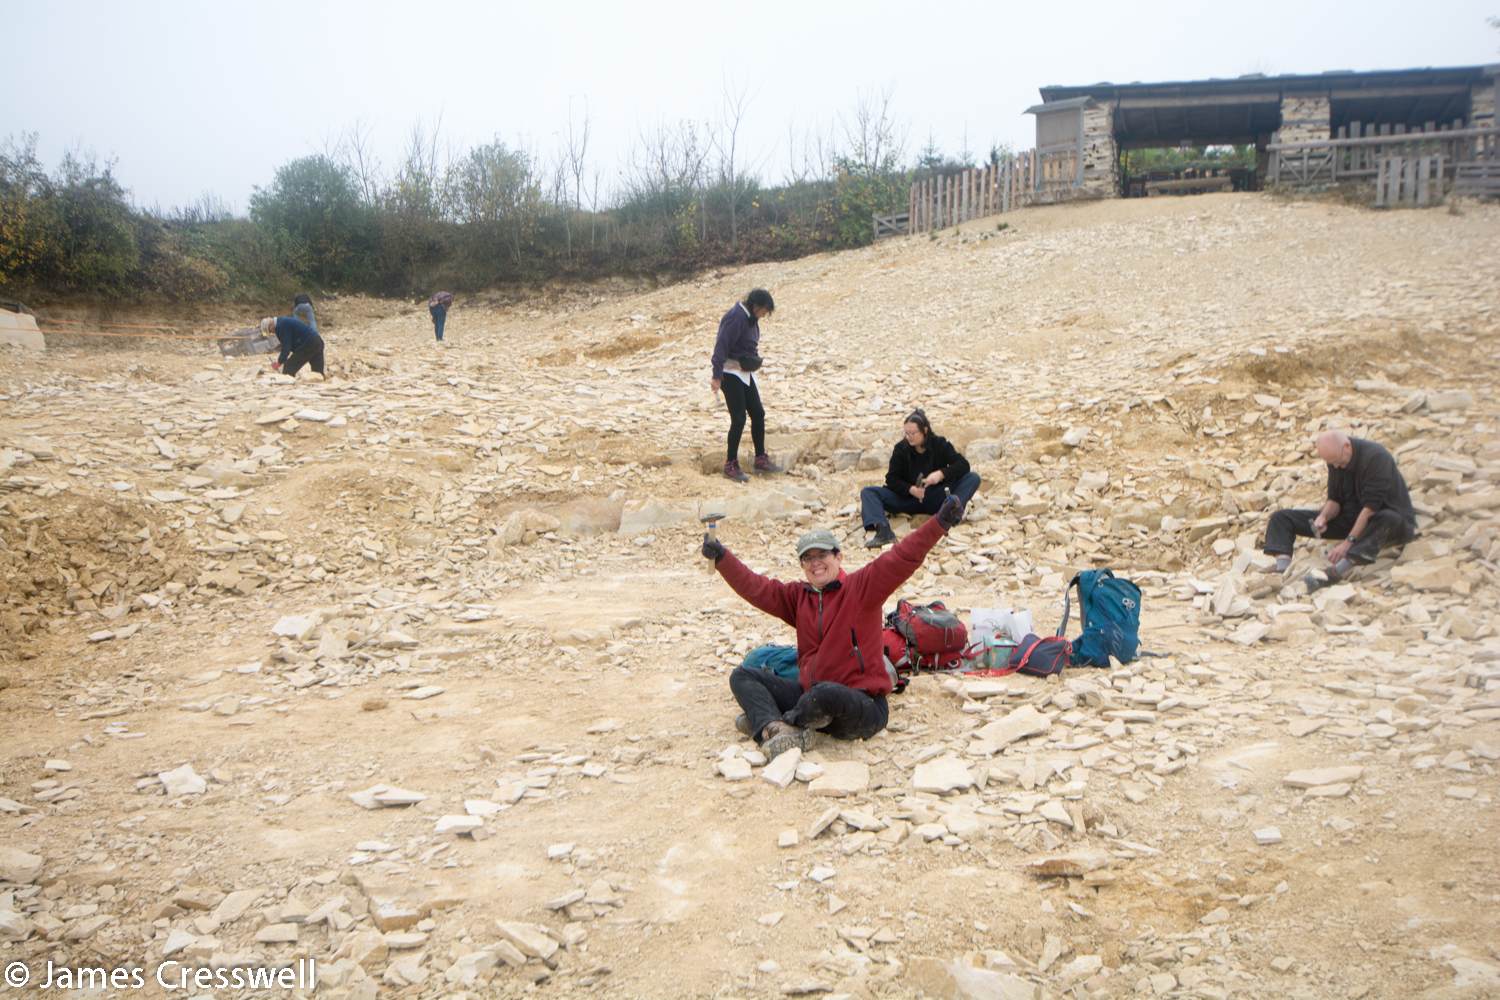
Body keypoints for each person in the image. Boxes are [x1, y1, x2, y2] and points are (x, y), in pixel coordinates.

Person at [703, 495, 966, 759]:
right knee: (742, 676)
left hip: (862, 705)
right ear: (802, 565)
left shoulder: (861, 589)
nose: (816, 563)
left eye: (822, 555)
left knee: (823, 694)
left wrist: (938, 523)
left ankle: (774, 720)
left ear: (838, 557)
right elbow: (756, 588)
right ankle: (774, 727)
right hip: (812, 698)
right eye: (808, 558)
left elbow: (900, 557)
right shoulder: (798, 597)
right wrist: (723, 559)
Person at [1263, 430, 1415, 592]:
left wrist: (1348, 543)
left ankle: (1334, 573)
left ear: (1347, 446)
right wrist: (1323, 518)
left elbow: (1371, 509)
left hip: (1380, 521)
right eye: (1331, 463)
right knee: (1281, 517)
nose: (1336, 466)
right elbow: (1334, 500)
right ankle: (1282, 572)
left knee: (1389, 518)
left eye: (1338, 461)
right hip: (1350, 518)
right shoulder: (1336, 459)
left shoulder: (1376, 457)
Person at [860, 408, 982, 548]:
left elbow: (963, 465)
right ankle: (883, 531)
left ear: (925, 430)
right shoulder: (901, 448)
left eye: (912, 433)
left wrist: (941, 474)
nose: (908, 437)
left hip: (935, 496)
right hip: (907, 499)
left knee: (972, 478)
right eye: (906, 433)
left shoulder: (939, 444)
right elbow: (892, 478)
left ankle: (950, 516)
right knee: (868, 492)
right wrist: (910, 489)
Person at [710, 288, 783, 483]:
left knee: (758, 413)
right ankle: (730, 465)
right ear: (755, 305)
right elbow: (721, 345)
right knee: (739, 418)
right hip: (730, 372)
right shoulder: (736, 317)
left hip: (744, 372)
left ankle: (760, 458)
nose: (764, 314)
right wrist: (717, 376)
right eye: (764, 310)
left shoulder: (751, 318)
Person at [260, 315, 325, 378]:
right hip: (317, 341)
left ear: (270, 325)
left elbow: (286, 347)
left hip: (309, 344)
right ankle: (321, 383)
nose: (272, 332)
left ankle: (288, 383)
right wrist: (281, 345)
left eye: (270, 331)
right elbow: (291, 339)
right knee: (317, 372)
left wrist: (280, 362)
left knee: (289, 366)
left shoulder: (281, 326)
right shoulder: (283, 321)